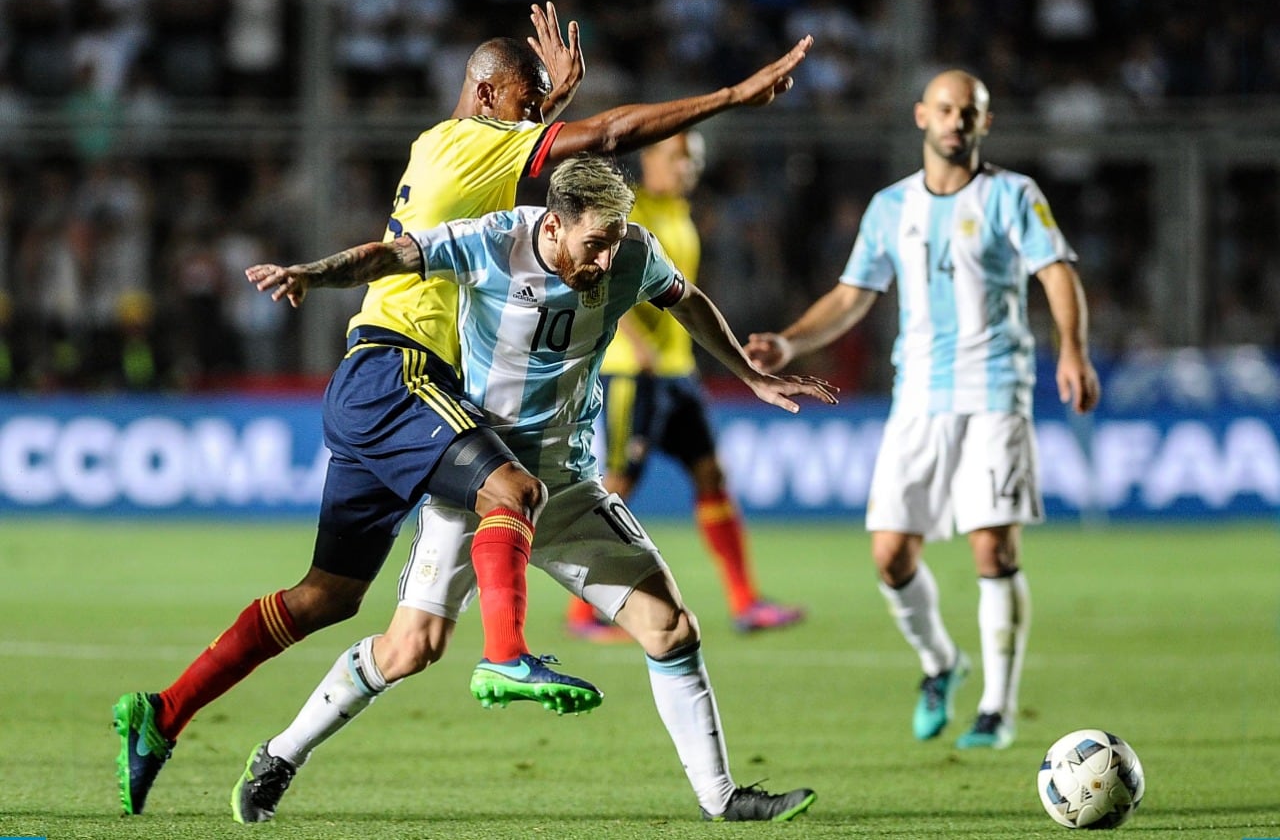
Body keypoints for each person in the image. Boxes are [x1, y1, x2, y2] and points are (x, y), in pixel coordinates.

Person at [113, 3, 816, 816]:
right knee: (508, 489)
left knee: (341, 602)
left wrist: (551, 94)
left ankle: (172, 713)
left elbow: (593, 202)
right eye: (530, 106)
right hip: (400, 371)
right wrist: (733, 94)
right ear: (489, 101)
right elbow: (610, 137)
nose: (541, 121)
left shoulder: (448, 149)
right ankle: (508, 654)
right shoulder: (494, 202)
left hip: (437, 404)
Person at [236, 155, 835, 823]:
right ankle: (281, 755)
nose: (606, 262)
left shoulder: (634, 252)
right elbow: (389, 256)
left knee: (670, 626)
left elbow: (686, 299)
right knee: (411, 648)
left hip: (569, 483)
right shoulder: (492, 241)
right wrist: (310, 275)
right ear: (552, 225)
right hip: (482, 481)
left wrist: (749, 373)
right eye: (593, 244)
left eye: (613, 243)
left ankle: (722, 798)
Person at [745, 69, 1101, 750]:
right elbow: (852, 296)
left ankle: (997, 706)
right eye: (945, 108)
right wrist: (790, 339)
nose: (956, 120)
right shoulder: (890, 207)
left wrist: (1073, 351)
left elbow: (1057, 271)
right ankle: (942, 662)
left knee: (993, 544)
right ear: (920, 116)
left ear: (984, 123)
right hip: (919, 398)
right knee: (890, 556)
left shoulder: (1013, 195)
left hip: (996, 389)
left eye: (969, 111)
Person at [565, 130, 804, 641]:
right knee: (618, 483)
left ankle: (745, 602)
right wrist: (634, 339)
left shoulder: (682, 213)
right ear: (650, 159)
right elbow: (601, 278)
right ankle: (583, 612)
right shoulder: (634, 213)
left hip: (678, 373)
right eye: (677, 157)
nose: (688, 167)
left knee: (711, 475)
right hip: (635, 371)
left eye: (694, 159)